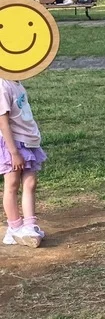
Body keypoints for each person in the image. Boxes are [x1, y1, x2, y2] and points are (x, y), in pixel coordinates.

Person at [0, 79, 47, 248]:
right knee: (12, 184)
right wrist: (13, 152)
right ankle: (14, 228)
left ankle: (29, 226)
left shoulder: (16, 83)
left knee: (31, 183)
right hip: (14, 143)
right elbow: (2, 120)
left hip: (28, 142)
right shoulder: (2, 85)